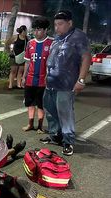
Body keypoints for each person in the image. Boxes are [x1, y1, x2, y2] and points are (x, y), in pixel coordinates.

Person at [40, 10, 91, 156]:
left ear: (70, 23)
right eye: (55, 24)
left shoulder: (78, 37)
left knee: (65, 112)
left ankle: (68, 141)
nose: (57, 27)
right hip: (51, 83)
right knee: (50, 111)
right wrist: (46, 77)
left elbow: (86, 58)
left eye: (60, 24)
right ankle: (55, 135)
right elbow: (52, 57)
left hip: (66, 84)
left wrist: (81, 79)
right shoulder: (57, 38)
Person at [21, 17, 53, 133]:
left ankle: (40, 126)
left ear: (45, 30)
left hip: (43, 80)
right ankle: (30, 124)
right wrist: (24, 77)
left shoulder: (51, 43)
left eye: (39, 30)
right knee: (30, 103)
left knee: (41, 104)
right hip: (30, 79)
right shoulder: (30, 43)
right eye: (34, 30)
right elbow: (27, 62)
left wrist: (49, 76)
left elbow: (53, 63)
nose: (36, 32)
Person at [7, 25, 28, 89]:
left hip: (22, 57)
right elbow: (7, 43)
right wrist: (10, 51)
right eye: (26, 30)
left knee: (20, 71)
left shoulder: (27, 38)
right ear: (23, 31)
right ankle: (10, 84)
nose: (26, 32)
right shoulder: (15, 37)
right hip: (14, 56)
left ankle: (18, 84)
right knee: (13, 71)